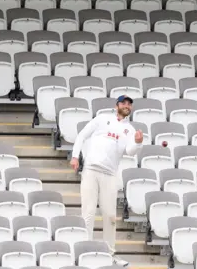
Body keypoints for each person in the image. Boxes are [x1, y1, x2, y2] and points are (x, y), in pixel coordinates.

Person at [70, 95, 144, 267]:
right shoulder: (103, 119)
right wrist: (75, 157)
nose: (127, 106)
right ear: (116, 105)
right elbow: (82, 135)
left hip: (110, 174)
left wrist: (139, 143)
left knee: (110, 216)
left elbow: (130, 151)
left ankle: (109, 255)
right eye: (124, 103)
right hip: (91, 170)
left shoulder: (130, 130)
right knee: (88, 213)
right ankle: (86, 252)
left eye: (129, 104)